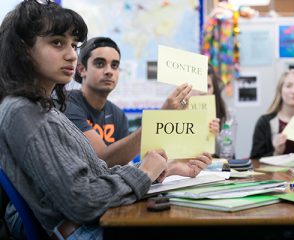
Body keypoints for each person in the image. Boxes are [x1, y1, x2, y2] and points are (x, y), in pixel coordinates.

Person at [0, 1, 211, 240]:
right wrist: (144, 174)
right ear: (22, 49)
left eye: (73, 45)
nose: (71, 55)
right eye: (57, 42)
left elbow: (99, 173)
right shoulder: (24, 111)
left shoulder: (45, 109)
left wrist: (162, 170)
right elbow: (82, 200)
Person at [64, 37, 195, 167]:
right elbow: (101, 160)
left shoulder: (118, 115)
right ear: (81, 69)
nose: (109, 71)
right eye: (100, 64)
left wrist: (173, 166)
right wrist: (162, 117)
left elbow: (120, 168)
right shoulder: (67, 104)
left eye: (114, 65)